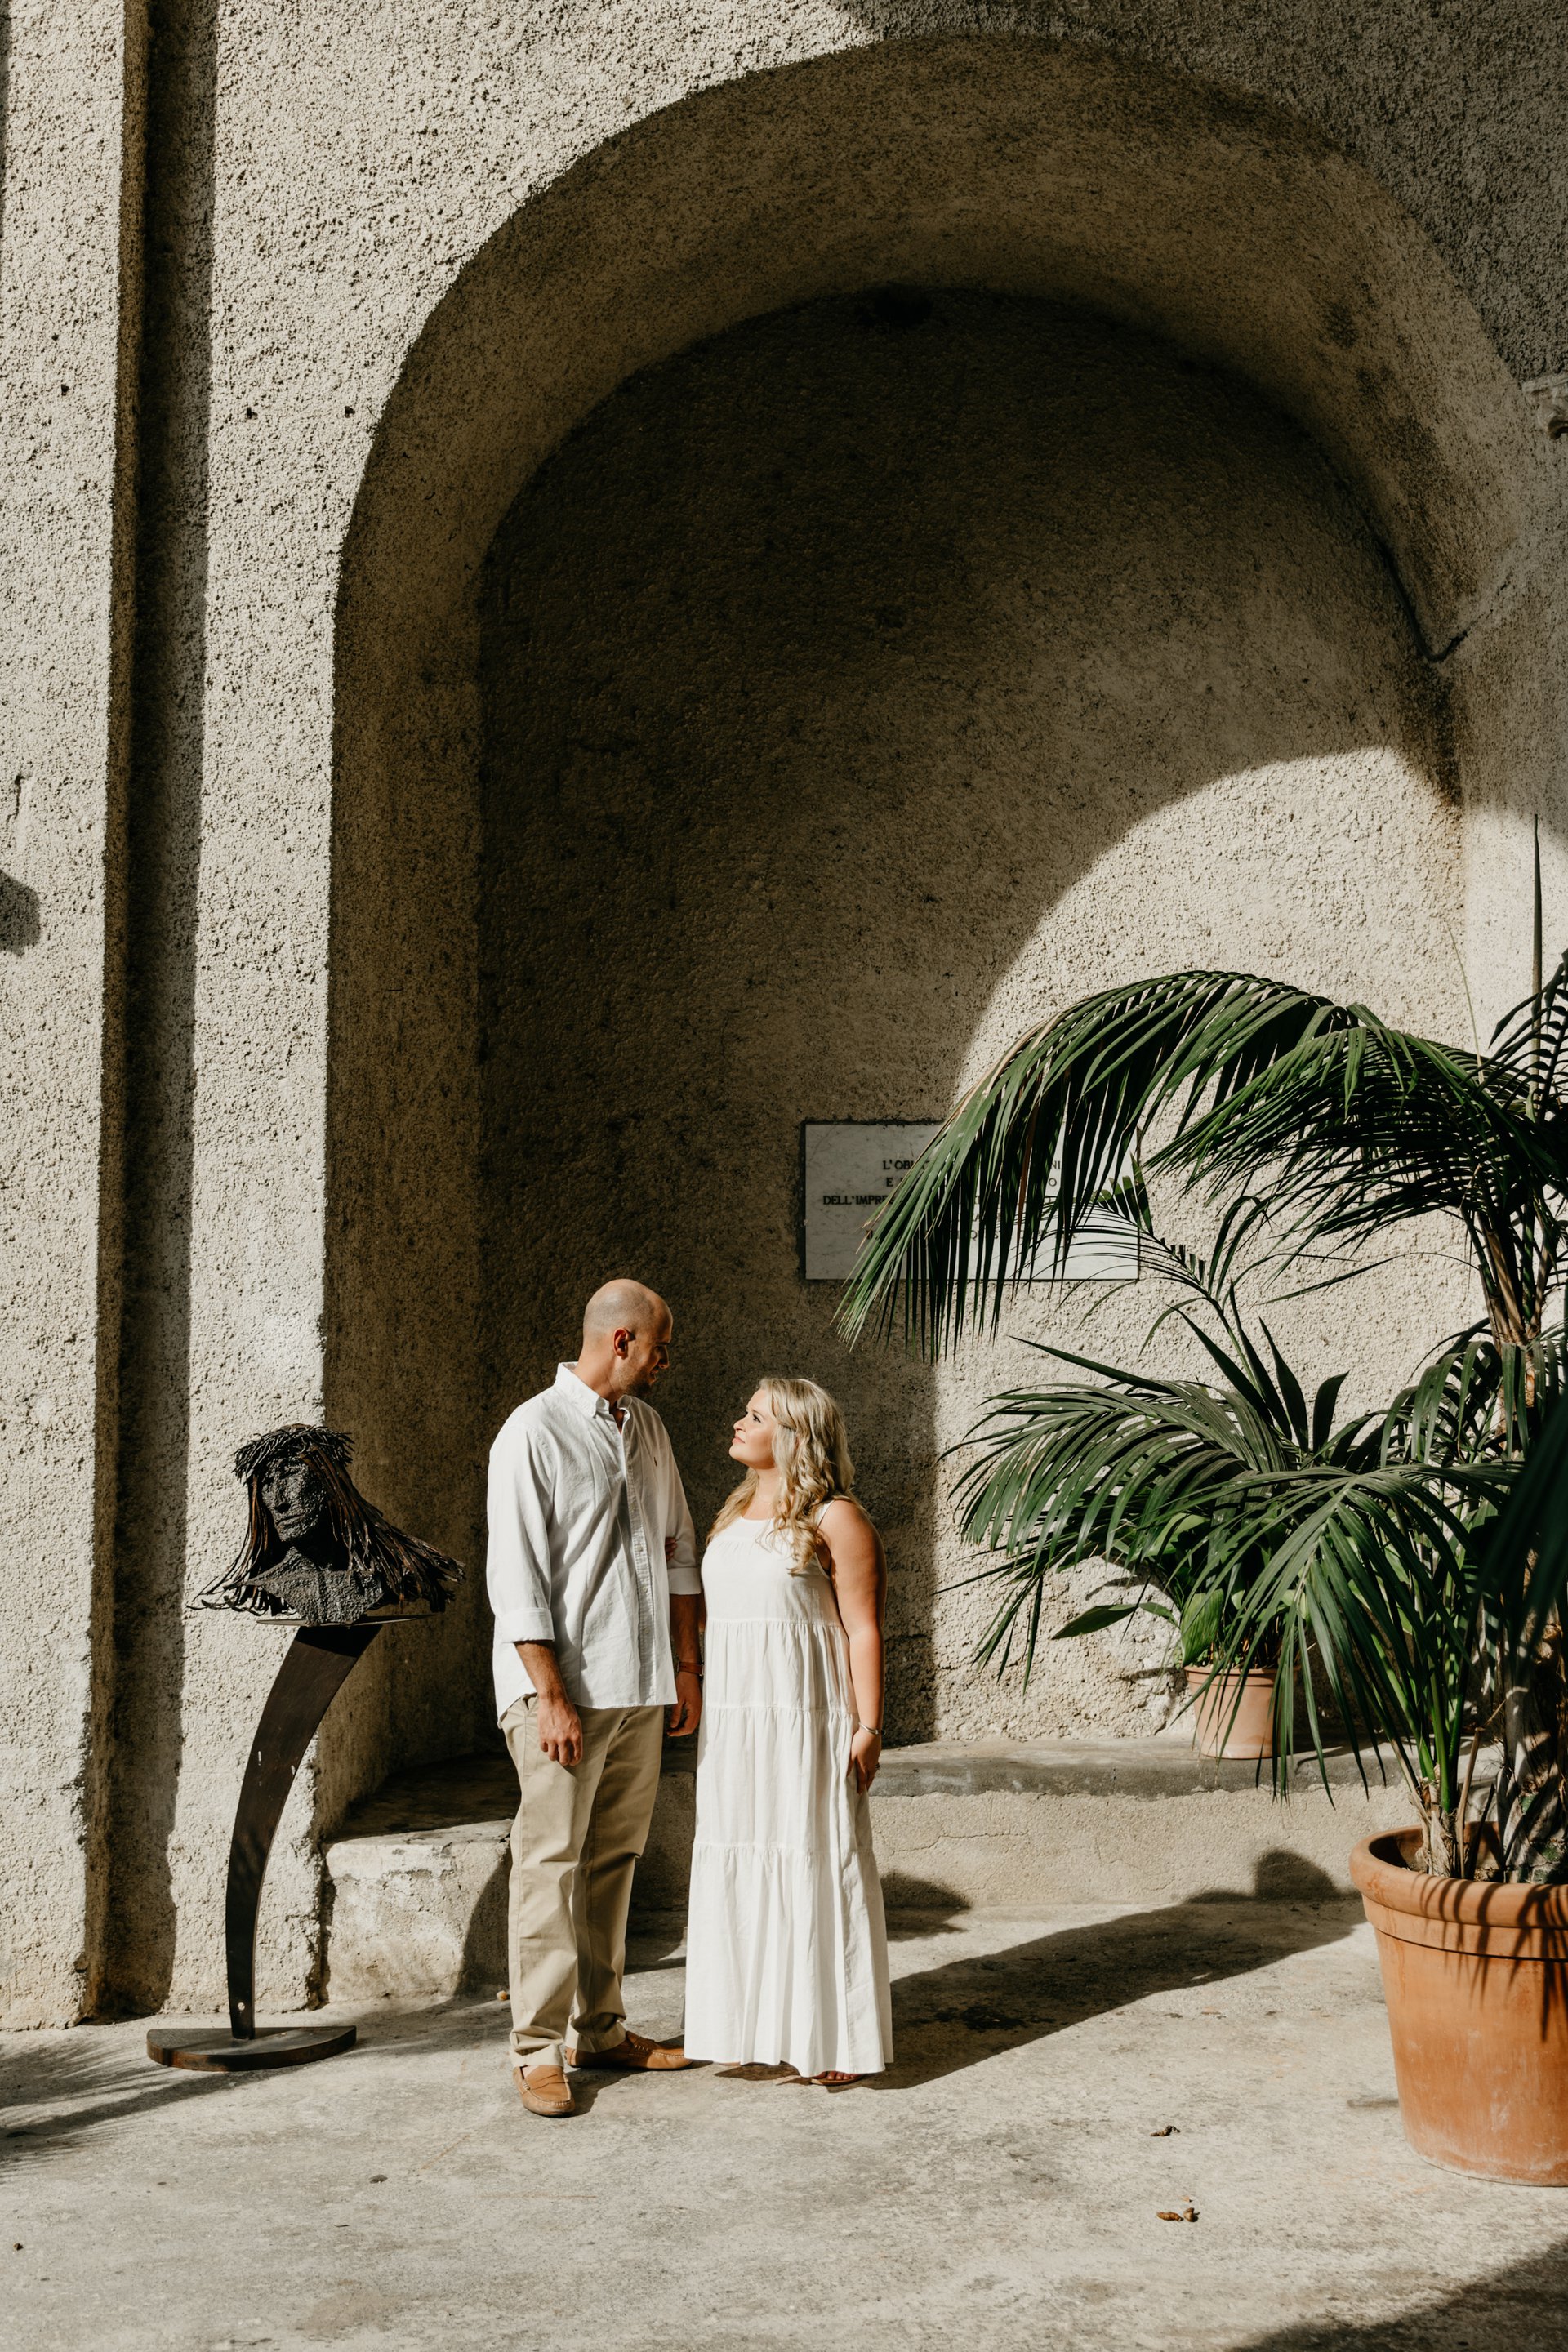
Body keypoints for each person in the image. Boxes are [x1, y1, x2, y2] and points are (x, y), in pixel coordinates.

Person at [487, 1279, 703, 2118]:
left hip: (641, 1686)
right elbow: (518, 1581)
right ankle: (537, 2052)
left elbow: (678, 1548)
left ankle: (602, 2029)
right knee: (550, 1869)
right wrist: (550, 1695)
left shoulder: (646, 1428)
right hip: (562, 1693)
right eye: (660, 1346)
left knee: (613, 1866)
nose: (664, 1362)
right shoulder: (532, 1432)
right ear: (621, 1341)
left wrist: (684, 1669)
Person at [683, 1378, 893, 2085]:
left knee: (811, 1857)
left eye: (755, 1415)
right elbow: (722, 1614)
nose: (738, 1422)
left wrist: (869, 1726)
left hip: (806, 1718)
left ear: (795, 1435)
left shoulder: (838, 1519)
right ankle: (746, 2025)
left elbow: (864, 1627)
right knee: (740, 1853)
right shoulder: (734, 1512)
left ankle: (832, 2040)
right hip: (738, 1722)